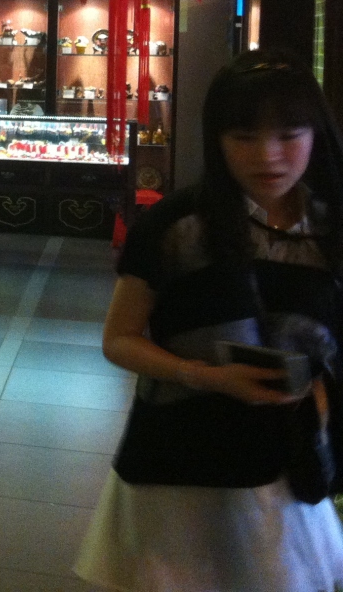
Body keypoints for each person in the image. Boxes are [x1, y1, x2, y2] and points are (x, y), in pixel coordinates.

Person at [75, 51, 343, 591]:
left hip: (286, 467)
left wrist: (318, 394)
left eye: (289, 135)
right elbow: (119, 339)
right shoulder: (175, 226)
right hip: (178, 462)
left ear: (315, 134)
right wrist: (207, 376)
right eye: (243, 137)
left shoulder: (331, 229)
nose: (268, 156)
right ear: (216, 140)